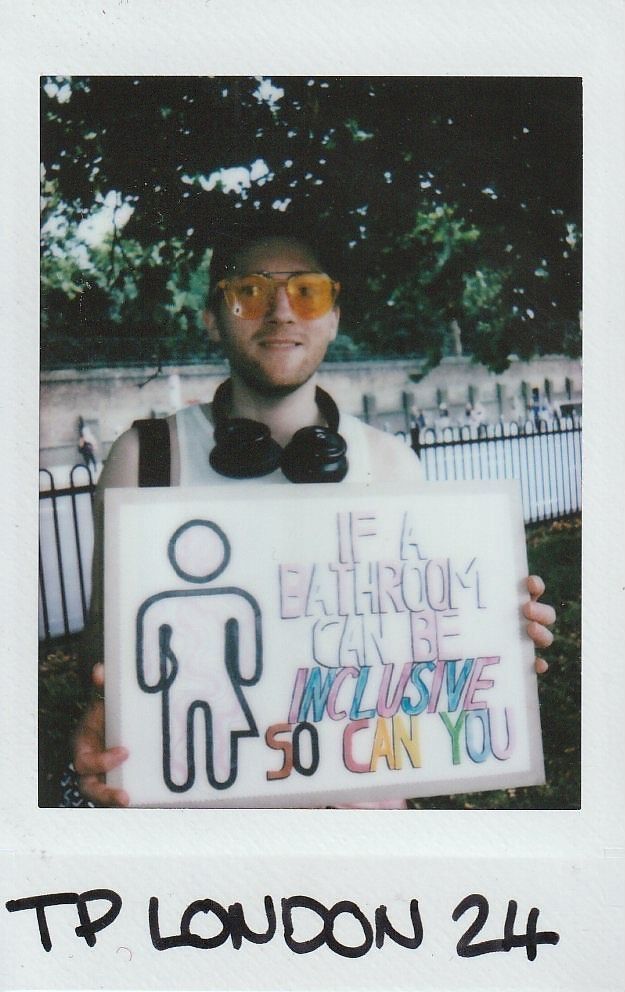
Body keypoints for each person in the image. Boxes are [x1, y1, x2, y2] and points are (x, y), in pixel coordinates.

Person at [71, 222, 555, 808]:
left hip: (357, 830)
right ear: (212, 316)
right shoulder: (142, 460)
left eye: (308, 291)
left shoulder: (392, 464)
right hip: (198, 830)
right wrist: (100, 718)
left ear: (333, 317)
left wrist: (496, 635)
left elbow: (419, 654)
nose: (281, 311)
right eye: (250, 290)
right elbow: (103, 653)